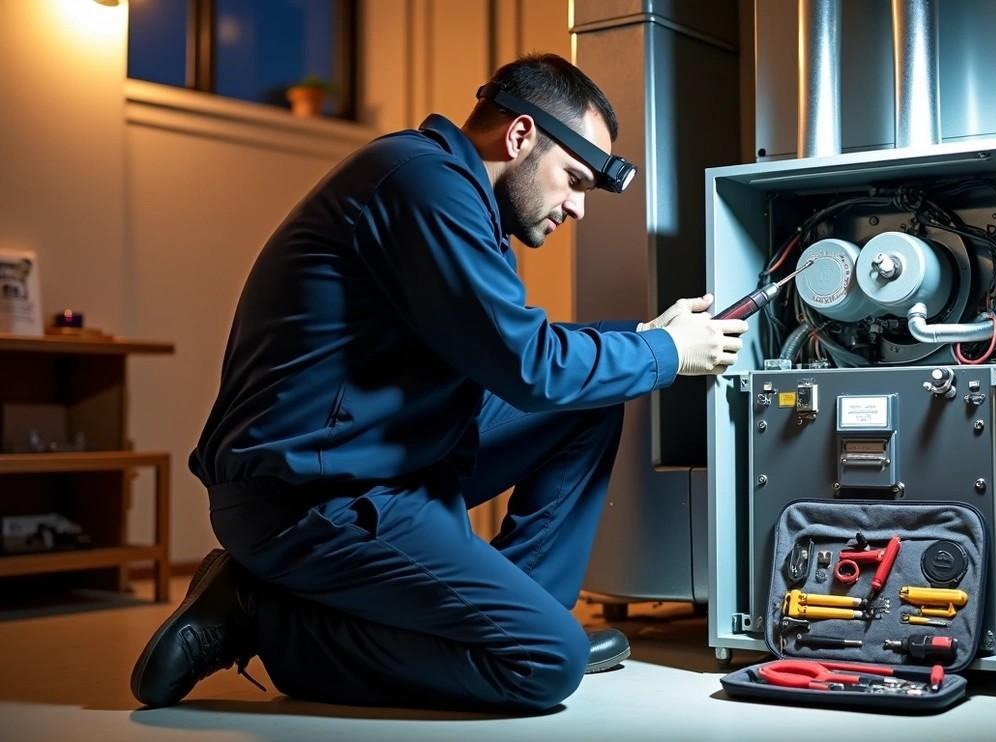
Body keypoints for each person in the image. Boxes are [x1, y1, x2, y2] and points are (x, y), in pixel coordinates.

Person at [129, 53, 747, 713]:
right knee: (545, 664)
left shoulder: (450, 194)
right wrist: (662, 351)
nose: (576, 209)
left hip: (381, 458)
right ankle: (261, 616)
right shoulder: (423, 185)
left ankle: (518, 614)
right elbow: (529, 366)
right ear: (519, 137)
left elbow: (517, 358)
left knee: (590, 403)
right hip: (308, 499)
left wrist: (645, 339)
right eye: (572, 180)